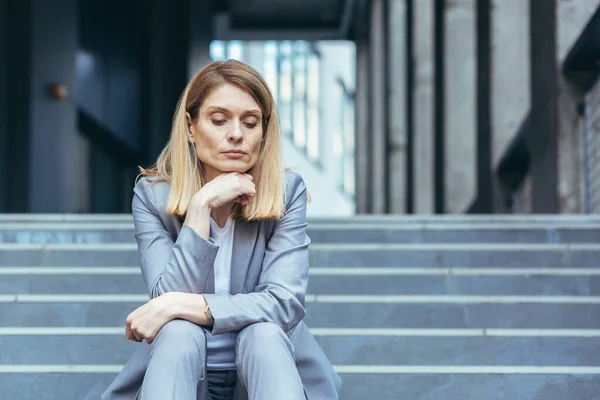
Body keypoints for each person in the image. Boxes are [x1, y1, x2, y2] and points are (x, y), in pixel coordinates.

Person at [101, 59, 341, 400]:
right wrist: (200, 207)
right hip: (181, 371)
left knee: (264, 336)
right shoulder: (153, 196)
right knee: (180, 333)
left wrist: (187, 306)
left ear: (264, 131)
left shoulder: (287, 192)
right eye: (218, 120)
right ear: (190, 127)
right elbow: (165, 298)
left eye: (251, 122)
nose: (236, 134)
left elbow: (284, 303)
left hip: (267, 371)